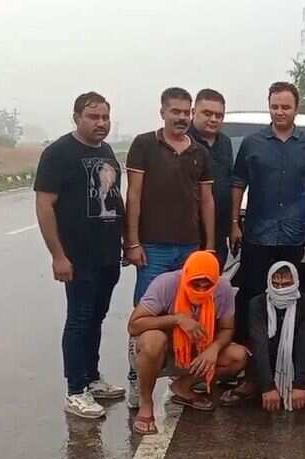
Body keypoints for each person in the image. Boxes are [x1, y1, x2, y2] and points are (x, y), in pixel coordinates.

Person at [35, 92, 126, 419]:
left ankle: (91, 377)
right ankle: (75, 390)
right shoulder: (58, 153)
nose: (101, 123)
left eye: (105, 117)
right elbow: (44, 205)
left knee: (96, 317)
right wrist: (58, 256)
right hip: (78, 256)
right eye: (93, 117)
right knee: (79, 319)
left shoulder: (107, 152)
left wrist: (126, 242)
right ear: (77, 118)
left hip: (107, 254)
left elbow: (114, 198)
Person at [124, 87, 216, 407]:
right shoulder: (144, 145)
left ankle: (183, 377)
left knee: (190, 314)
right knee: (145, 315)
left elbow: (206, 200)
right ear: (162, 112)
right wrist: (132, 242)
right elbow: (134, 195)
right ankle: (137, 379)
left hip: (190, 249)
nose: (181, 117)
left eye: (185, 112)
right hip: (153, 248)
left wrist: (209, 246)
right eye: (174, 111)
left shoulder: (199, 152)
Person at [230, 82, 305, 343]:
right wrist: (234, 222)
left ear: (296, 109)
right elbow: (238, 183)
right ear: (269, 107)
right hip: (258, 233)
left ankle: (286, 348)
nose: (280, 112)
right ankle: (252, 351)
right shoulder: (252, 143)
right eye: (275, 106)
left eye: (286, 107)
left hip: (294, 235)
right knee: (254, 294)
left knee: (290, 294)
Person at [128, 251, 249, 435]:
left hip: (197, 349)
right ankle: (146, 402)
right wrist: (177, 319)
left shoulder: (223, 288)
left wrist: (214, 349)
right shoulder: (166, 283)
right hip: (162, 352)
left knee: (238, 356)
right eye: (195, 283)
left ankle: (183, 386)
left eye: (207, 284)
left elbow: (227, 328)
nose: (201, 289)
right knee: (153, 340)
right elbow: (134, 325)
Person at [231, 262, 305, 412]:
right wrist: (268, 387)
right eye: (276, 284)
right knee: (257, 346)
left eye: (286, 285)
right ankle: (256, 382)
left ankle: (304, 381)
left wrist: (300, 384)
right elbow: (259, 343)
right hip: (267, 355)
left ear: (296, 282)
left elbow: (304, 342)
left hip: (295, 357)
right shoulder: (257, 303)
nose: (280, 289)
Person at [190, 88, 235, 270]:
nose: (214, 119)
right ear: (194, 112)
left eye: (219, 115)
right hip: (188, 234)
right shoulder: (183, 140)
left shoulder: (225, 143)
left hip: (219, 233)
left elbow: (230, 182)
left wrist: (233, 225)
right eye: (207, 114)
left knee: (213, 280)